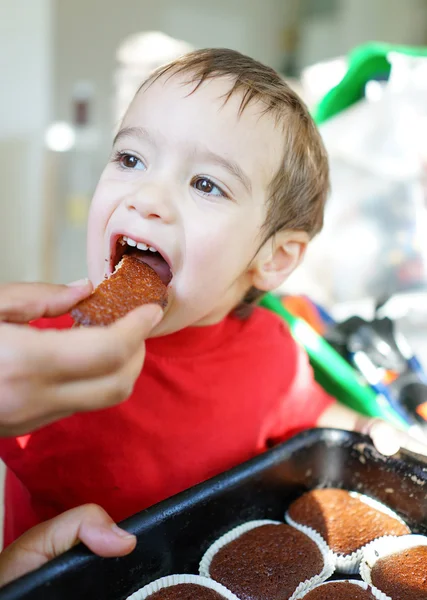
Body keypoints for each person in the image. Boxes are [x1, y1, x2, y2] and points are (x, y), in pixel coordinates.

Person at [0, 48, 421, 549]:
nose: (147, 198)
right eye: (130, 159)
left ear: (274, 258)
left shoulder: (272, 351)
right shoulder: (39, 354)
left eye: (206, 184)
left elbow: (308, 414)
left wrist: (365, 427)